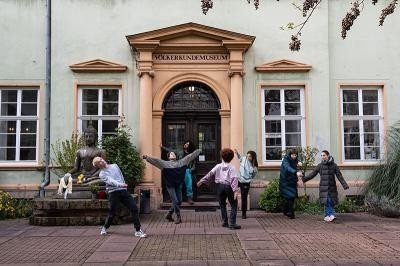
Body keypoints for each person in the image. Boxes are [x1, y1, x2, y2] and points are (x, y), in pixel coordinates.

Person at [92, 157, 147, 237]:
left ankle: (138, 230)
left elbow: (120, 176)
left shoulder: (115, 166)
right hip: (113, 193)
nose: (101, 161)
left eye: (101, 159)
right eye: (99, 162)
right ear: (98, 166)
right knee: (112, 213)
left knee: (134, 208)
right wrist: (120, 184)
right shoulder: (102, 174)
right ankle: (105, 227)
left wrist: (123, 185)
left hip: (123, 190)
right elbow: (111, 181)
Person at [143, 149, 201, 224]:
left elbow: (190, 156)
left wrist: (198, 150)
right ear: (168, 157)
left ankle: (169, 214)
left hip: (178, 185)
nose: (173, 154)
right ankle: (178, 216)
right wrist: (147, 157)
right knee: (175, 201)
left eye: (174, 154)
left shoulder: (181, 162)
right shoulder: (164, 164)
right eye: (171, 154)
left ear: (176, 156)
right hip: (170, 185)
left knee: (179, 201)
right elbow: (156, 161)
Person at [197, 148, 241, 230]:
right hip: (229, 187)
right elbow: (234, 179)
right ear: (231, 158)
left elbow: (210, 174)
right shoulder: (232, 167)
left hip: (220, 186)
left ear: (222, 157)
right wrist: (235, 191)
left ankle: (225, 222)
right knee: (234, 205)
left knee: (222, 205)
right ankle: (232, 223)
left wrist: (201, 181)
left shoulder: (218, 166)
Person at [302, 150, 349, 222]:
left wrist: (344, 185)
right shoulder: (320, 166)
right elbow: (312, 174)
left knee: (330, 201)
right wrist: (304, 179)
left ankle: (329, 215)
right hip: (323, 187)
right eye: (321, 156)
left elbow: (339, 176)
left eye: (324, 155)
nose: (322, 157)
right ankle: (329, 215)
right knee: (327, 201)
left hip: (331, 187)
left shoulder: (334, 165)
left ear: (328, 155)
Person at [161, 140, 197, 205]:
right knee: (178, 185)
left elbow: (194, 164)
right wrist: (162, 147)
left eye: (187, 144)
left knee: (189, 184)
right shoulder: (180, 152)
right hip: (179, 169)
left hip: (187, 170)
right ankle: (175, 198)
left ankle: (190, 198)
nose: (186, 145)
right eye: (185, 143)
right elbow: (170, 150)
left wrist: (190, 170)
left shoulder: (191, 154)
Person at [279, 148, 303, 219]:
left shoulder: (296, 160)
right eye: (292, 155)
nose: (294, 156)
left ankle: (286, 211)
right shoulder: (286, 160)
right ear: (290, 154)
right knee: (290, 197)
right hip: (285, 181)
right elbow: (287, 167)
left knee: (291, 197)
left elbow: (298, 170)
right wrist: (295, 172)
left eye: (295, 155)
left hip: (292, 181)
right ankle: (291, 213)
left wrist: (299, 176)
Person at [234, 149, 258, 219]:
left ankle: (243, 213)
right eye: (247, 156)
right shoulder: (244, 159)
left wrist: (248, 177)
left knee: (244, 198)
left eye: (249, 156)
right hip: (239, 179)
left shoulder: (254, 167)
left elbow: (253, 175)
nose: (248, 157)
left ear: (253, 157)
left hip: (246, 182)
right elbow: (240, 158)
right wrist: (237, 153)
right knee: (230, 191)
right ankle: (234, 208)